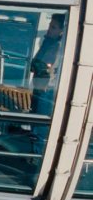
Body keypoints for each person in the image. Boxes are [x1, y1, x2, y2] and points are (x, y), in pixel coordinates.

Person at [31, 14, 66, 153]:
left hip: (47, 90)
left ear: (61, 31)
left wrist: (42, 66)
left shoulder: (59, 47)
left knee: (40, 125)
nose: (49, 30)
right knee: (35, 121)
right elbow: (35, 64)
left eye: (53, 27)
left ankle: (37, 155)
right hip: (38, 88)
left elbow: (46, 67)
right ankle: (32, 152)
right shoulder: (47, 43)